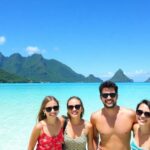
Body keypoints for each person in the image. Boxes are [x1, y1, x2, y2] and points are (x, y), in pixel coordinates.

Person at [90, 80, 136, 150]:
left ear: (117, 96)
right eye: (105, 95)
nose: (109, 98)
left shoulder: (130, 115)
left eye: (112, 95)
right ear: (100, 97)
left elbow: (142, 134)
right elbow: (94, 137)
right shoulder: (95, 117)